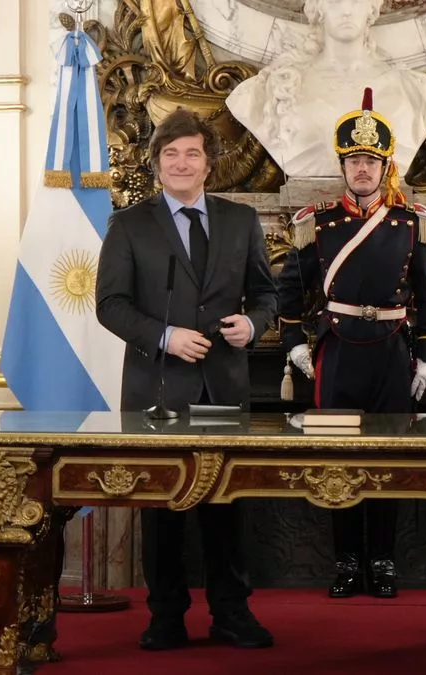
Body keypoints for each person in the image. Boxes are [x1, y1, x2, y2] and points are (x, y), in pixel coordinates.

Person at [95, 107, 278, 650]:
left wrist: (253, 323)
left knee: (226, 507)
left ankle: (231, 613)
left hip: (224, 387)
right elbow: (110, 305)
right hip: (157, 391)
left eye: (191, 153)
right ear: (156, 165)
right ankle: (166, 616)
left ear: (208, 163)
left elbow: (267, 295)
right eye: (170, 154)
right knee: (163, 512)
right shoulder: (128, 224)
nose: (181, 162)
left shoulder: (240, 220)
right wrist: (164, 336)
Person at [277, 87, 426, 599]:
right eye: (355, 160)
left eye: (372, 160)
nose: (363, 169)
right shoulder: (318, 223)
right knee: (340, 462)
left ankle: (384, 561)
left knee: (388, 459)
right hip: (338, 354)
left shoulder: (412, 222)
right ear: (343, 165)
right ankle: (347, 561)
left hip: (394, 353)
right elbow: (290, 290)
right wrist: (294, 344)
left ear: (386, 164)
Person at [226, 0, 426, 177]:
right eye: (335, 1)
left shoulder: (420, 91)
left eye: (356, 1)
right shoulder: (273, 88)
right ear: (318, 7)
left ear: (373, 7)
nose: (346, 11)